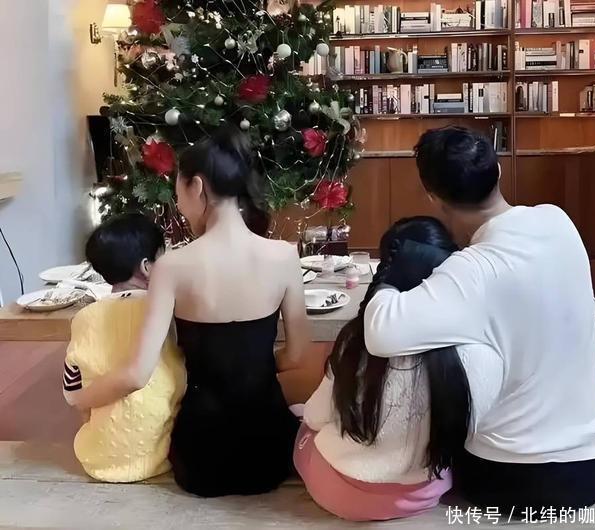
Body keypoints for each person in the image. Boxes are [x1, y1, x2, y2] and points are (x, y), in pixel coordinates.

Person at [364, 126, 595, 513]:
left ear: (432, 196)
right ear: (498, 171)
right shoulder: (558, 221)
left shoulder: (470, 271)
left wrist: (392, 274)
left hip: (512, 479)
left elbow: (379, 331)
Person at [69, 125, 310, 497]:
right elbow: (297, 355)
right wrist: (251, 365)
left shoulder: (172, 267)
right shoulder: (284, 256)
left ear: (197, 187)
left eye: (178, 190)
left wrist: (78, 399)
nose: (179, 204)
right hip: (270, 451)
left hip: (201, 457)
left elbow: (136, 375)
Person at [295, 217, 503, 521]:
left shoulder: (356, 339)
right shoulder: (480, 349)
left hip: (339, 490)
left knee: (304, 422)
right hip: (423, 493)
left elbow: (316, 416)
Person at [63, 213, 186, 482]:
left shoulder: (84, 317)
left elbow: (72, 386)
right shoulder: (163, 309)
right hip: (162, 454)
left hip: (97, 458)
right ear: (147, 267)